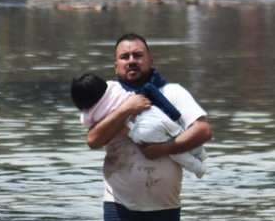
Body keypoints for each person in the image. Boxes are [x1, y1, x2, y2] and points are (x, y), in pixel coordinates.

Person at [84, 33, 213, 221]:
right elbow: (93, 139)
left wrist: (165, 148)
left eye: (137, 55)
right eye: (124, 57)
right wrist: (126, 109)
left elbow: (203, 131)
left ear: (151, 61)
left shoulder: (172, 93)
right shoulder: (106, 99)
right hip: (120, 207)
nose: (131, 61)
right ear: (116, 66)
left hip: (166, 208)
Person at [71, 73, 207, 179]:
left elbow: (87, 125)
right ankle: (201, 154)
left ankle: (198, 168)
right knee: (179, 134)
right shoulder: (113, 86)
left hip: (139, 129)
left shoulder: (91, 114)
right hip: (151, 112)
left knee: (172, 151)